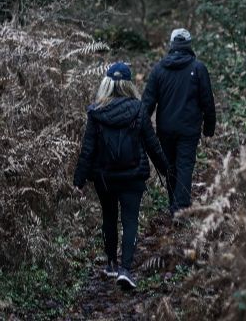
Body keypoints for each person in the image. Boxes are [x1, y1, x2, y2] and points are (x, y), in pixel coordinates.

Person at [73, 62, 170, 290]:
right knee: (130, 222)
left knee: (108, 218)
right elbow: (152, 143)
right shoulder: (138, 109)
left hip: (104, 177)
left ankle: (111, 264)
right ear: (128, 84)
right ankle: (126, 270)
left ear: (106, 83)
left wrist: (79, 180)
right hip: (132, 176)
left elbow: (88, 149)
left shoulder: (96, 112)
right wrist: (166, 169)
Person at [142, 28, 216, 215]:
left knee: (170, 165)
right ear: (189, 45)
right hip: (189, 129)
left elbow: (147, 103)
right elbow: (207, 100)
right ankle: (180, 208)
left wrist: (139, 126)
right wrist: (209, 127)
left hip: (165, 129)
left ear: (172, 45)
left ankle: (175, 205)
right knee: (184, 165)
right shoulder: (198, 68)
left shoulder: (159, 69)